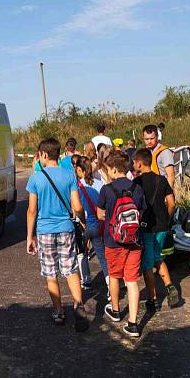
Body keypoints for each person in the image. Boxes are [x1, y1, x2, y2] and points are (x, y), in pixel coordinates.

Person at [26, 137, 89, 332]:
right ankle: (79, 305)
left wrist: (30, 236)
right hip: (66, 229)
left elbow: (32, 210)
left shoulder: (36, 177)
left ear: (44, 155)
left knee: (51, 273)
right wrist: (82, 220)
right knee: (70, 269)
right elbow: (77, 206)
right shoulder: (69, 175)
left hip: (45, 231)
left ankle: (59, 312)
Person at [97, 151, 147, 338]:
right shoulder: (137, 188)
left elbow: (100, 214)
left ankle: (116, 310)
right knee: (132, 281)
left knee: (115, 276)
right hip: (134, 240)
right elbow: (141, 211)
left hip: (113, 241)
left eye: (108, 168)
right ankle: (133, 324)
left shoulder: (106, 190)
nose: (107, 172)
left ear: (114, 169)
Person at [132, 149, 179, 310]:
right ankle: (170, 286)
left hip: (146, 227)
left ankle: (152, 299)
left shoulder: (137, 183)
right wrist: (167, 218)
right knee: (158, 256)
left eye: (134, 162)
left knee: (147, 264)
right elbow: (171, 203)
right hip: (162, 226)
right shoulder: (162, 180)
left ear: (139, 163)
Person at [74, 156, 108, 294]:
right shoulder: (100, 184)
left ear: (80, 169)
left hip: (83, 224)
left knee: (82, 254)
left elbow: (77, 208)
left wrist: (81, 221)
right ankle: (109, 282)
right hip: (99, 225)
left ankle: (86, 281)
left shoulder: (76, 186)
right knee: (102, 256)